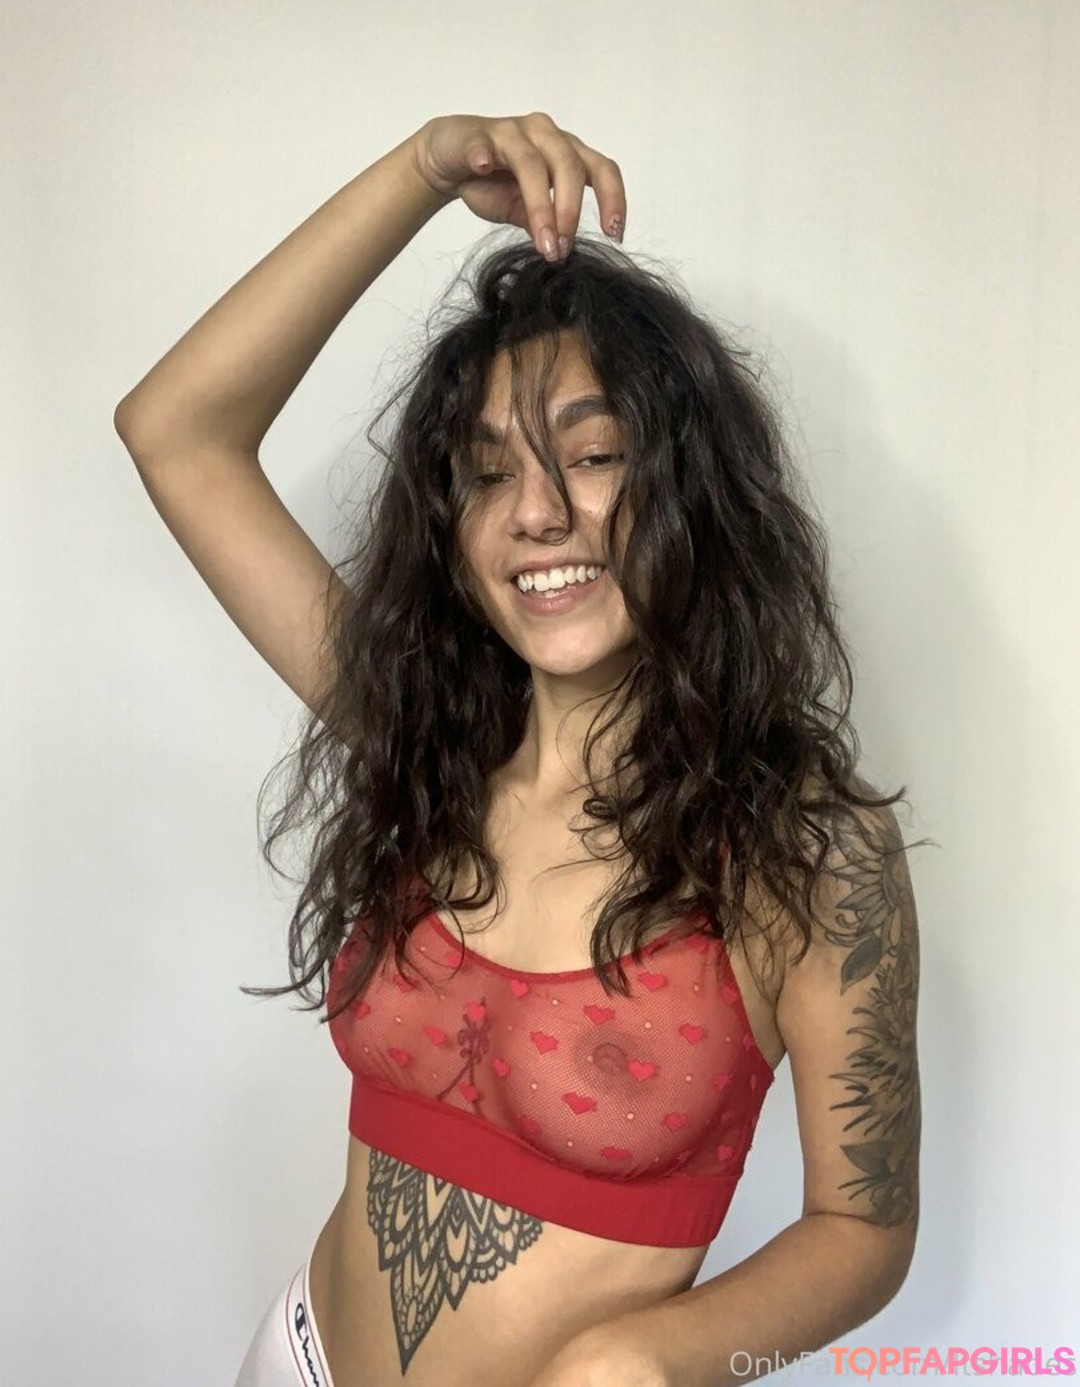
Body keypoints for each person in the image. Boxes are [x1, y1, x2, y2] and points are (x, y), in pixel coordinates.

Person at [114, 112, 926, 1387]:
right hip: (299, 1360)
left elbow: (865, 1229)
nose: (538, 512)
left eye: (594, 456)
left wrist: (648, 1355)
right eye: (488, 473)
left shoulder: (807, 849)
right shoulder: (421, 738)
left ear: (696, 494)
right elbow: (174, 430)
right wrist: (421, 172)